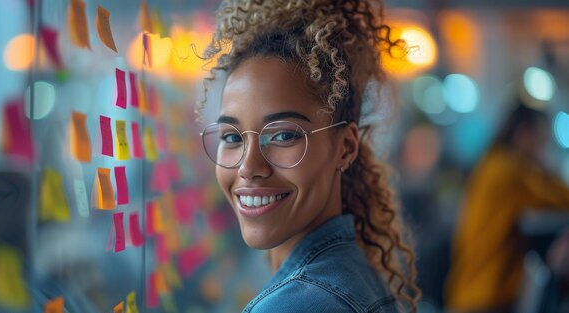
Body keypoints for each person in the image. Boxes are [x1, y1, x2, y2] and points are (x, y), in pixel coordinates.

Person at [196, 0, 420, 312]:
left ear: (346, 147)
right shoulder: (354, 274)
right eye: (232, 137)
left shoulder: (295, 304)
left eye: (283, 135)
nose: (249, 167)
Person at [444, 102, 569, 313]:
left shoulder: (492, 164)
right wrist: (546, 167)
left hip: (470, 288)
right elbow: (561, 199)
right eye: (540, 139)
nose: (542, 146)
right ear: (524, 133)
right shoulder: (509, 171)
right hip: (487, 293)